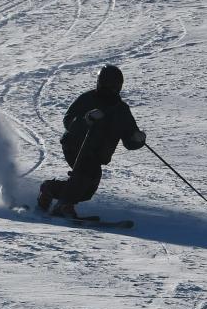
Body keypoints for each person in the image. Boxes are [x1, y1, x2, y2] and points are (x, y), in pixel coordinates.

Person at [38, 64, 146, 217]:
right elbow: (68, 121)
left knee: (89, 189)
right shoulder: (88, 99)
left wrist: (138, 139)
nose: (110, 89)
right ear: (99, 83)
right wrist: (86, 120)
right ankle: (64, 205)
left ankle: (49, 189)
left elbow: (129, 139)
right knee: (85, 173)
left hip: (97, 154)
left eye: (113, 86)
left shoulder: (122, 110)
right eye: (106, 85)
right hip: (75, 145)